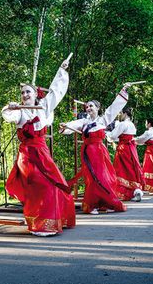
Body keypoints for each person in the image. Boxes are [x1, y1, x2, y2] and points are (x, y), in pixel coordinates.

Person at [1, 57, 75, 236]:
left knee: (54, 185)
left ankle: (52, 220)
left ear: (35, 94)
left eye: (28, 92)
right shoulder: (19, 112)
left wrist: (62, 70)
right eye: (23, 93)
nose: (25, 95)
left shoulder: (44, 108)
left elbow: (56, 91)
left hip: (43, 153)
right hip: (27, 157)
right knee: (39, 185)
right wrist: (9, 107)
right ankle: (40, 224)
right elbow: (6, 115)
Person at [59, 84, 130, 215]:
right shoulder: (84, 122)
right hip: (88, 154)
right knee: (91, 179)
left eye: (91, 106)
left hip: (100, 154)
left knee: (103, 177)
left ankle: (106, 202)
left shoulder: (103, 120)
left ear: (98, 108)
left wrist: (123, 91)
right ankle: (92, 205)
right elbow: (73, 125)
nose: (88, 108)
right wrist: (66, 126)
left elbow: (114, 108)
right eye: (87, 106)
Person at [106, 107, 145, 202]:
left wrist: (106, 133)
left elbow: (113, 136)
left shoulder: (123, 124)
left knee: (122, 170)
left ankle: (130, 191)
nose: (119, 115)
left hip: (123, 149)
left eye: (120, 113)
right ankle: (136, 190)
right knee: (132, 168)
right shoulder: (131, 124)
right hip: (131, 148)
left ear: (124, 113)